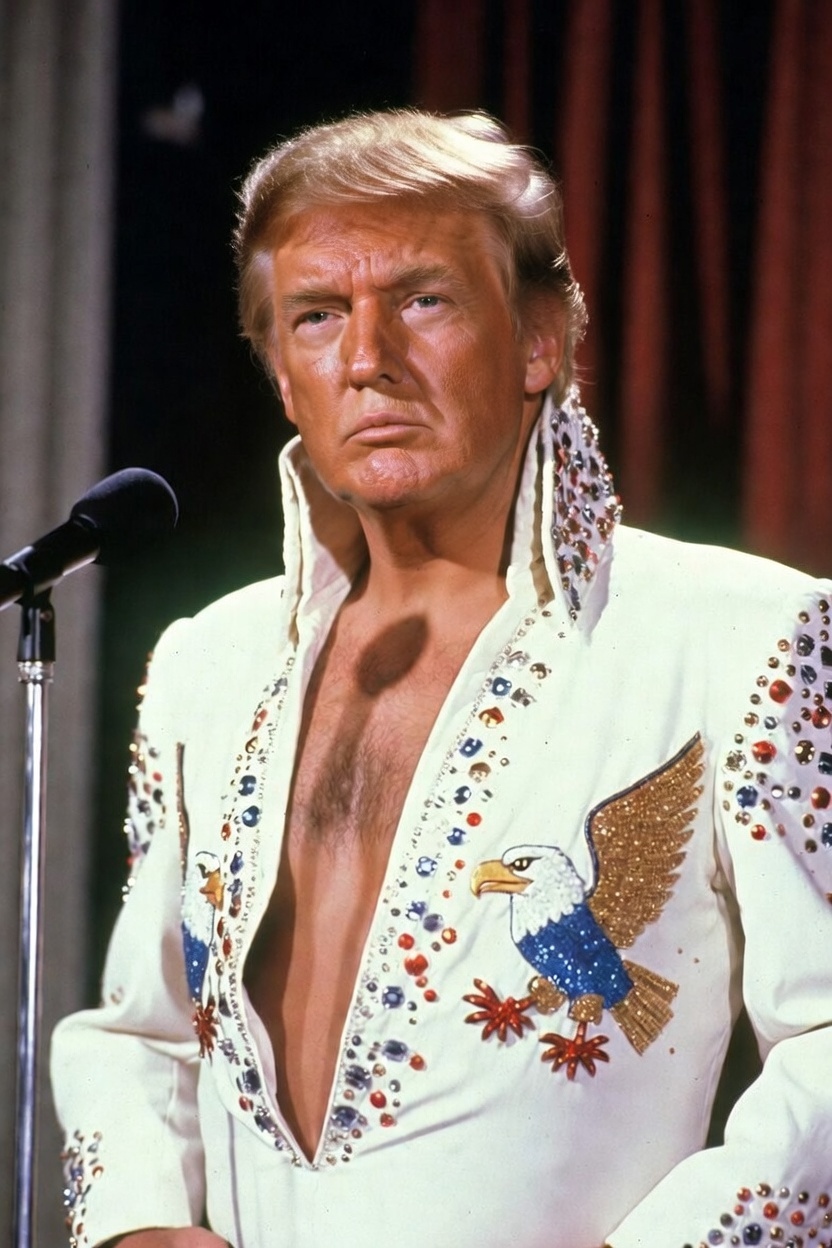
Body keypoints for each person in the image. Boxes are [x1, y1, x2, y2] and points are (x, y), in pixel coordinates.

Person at [51, 109, 832, 1248]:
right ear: (284, 378)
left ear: (540, 341)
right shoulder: (206, 664)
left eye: (423, 300)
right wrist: (137, 1225)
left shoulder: (737, 634)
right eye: (317, 316)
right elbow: (142, 1029)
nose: (367, 359)